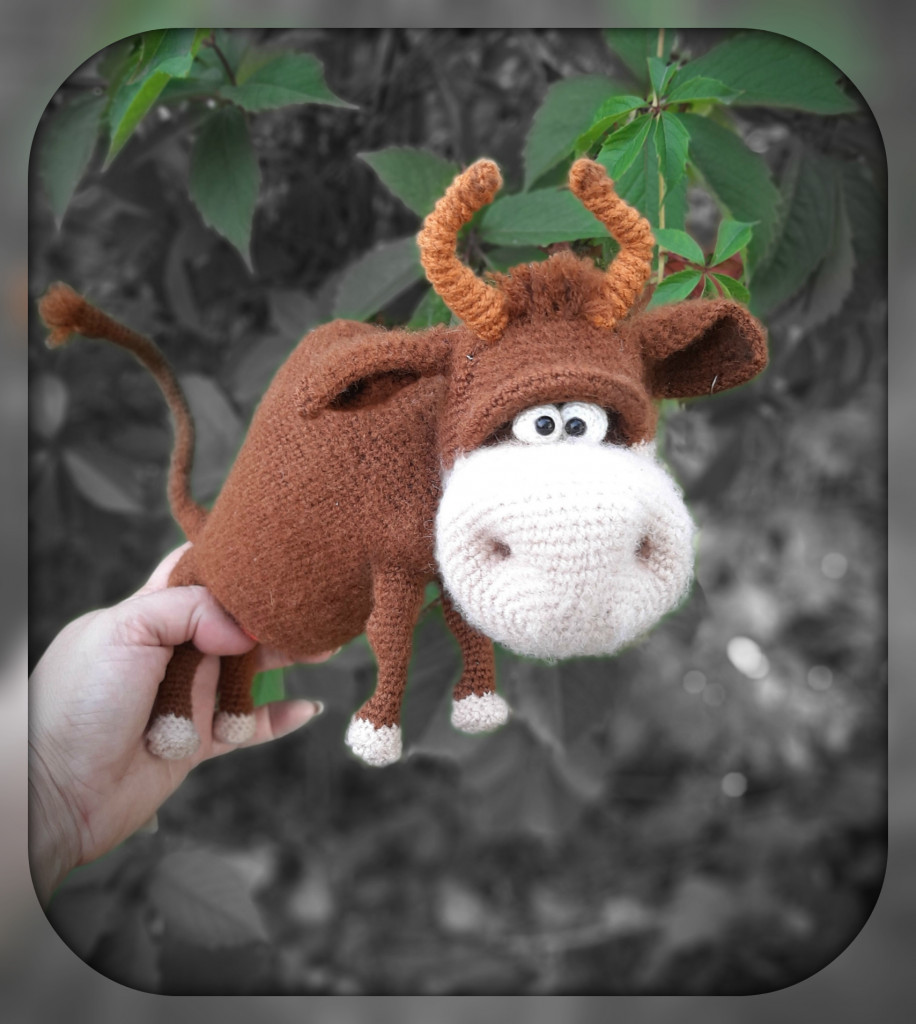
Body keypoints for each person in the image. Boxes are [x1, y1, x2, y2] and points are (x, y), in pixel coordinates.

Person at [28, 544, 328, 906]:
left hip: (239, 626)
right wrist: (54, 787)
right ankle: (180, 718)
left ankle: (232, 713)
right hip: (201, 624)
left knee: (239, 667)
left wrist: (56, 795)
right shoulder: (202, 576)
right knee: (185, 667)